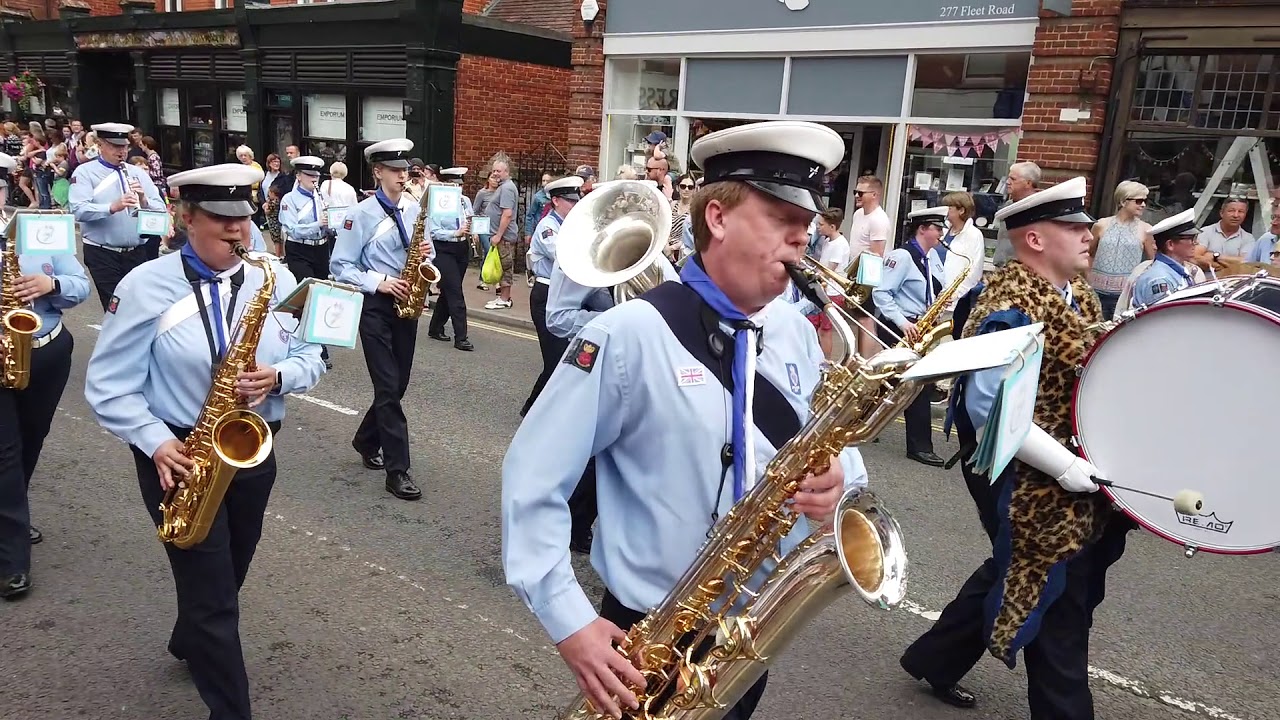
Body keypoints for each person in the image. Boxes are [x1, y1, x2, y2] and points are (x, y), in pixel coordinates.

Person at [502, 120, 868, 720]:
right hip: (647, 637)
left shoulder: (797, 333)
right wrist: (570, 622)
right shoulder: (626, 334)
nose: (803, 238)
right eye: (782, 218)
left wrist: (839, 483)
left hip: (749, 632)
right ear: (718, 218)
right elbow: (531, 478)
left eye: (807, 224)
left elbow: (826, 441)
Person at [83, 163, 326, 719]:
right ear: (185, 217)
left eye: (244, 216)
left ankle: (191, 635)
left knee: (230, 567)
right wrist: (153, 441)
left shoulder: (276, 278)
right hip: (179, 454)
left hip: (250, 446)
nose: (238, 230)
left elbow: (315, 352)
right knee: (215, 596)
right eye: (221, 218)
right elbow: (108, 385)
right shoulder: (144, 286)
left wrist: (280, 376)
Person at [901, 176, 1131, 720]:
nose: (1087, 235)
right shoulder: (1009, 305)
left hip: (1058, 463)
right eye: (1073, 227)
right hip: (1021, 469)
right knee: (1058, 593)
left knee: (1015, 564)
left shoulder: (1070, 296)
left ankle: (936, 657)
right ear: (1033, 240)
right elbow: (991, 414)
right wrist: (1067, 465)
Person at [0, 152, 91, 599]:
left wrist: (50, 286)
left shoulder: (38, 230)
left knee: (31, 440)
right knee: (5, 453)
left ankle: (10, 513)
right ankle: (10, 559)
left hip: (46, 350)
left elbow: (80, 285)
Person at [330, 138, 433, 501]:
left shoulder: (414, 208)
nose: (403, 176)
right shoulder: (358, 215)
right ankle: (398, 470)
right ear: (378, 173)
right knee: (388, 387)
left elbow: (427, 248)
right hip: (374, 305)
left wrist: (425, 255)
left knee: (399, 384)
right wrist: (380, 282)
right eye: (395, 170)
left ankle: (364, 438)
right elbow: (340, 265)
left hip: (407, 301)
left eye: (405, 170)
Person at [871, 206, 947, 467]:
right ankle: (919, 446)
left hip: (920, 325)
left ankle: (860, 422)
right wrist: (903, 323)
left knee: (886, 381)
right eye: (937, 228)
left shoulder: (934, 257)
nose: (941, 233)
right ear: (923, 229)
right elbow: (881, 293)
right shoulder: (902, 256)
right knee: (918, 384)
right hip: (898, 325)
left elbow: (938, 287)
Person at [68, 122, 165, 311]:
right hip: (103, 252)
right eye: (115, 146)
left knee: (138, 308)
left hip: (137, 251)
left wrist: (144, 201)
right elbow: (78, 210)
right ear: (100, 144)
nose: (121, 151)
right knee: (115, 309)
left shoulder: (138, 173)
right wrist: (112, 207)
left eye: (124, 146)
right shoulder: (85, 172)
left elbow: (160, 209)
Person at [520, 174, 584, 416]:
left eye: (576, 200)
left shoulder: (572, 225)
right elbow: (565, 257)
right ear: (556, 201)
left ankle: (544, 410)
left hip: (564, 294)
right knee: (555, 360)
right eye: (570, 201)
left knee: (565, 358)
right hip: (546, 293)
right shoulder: (548, 227)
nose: (575, 205)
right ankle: (532, 409)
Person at [279, 155, 336, 368]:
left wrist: (332, 223)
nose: (314, 179)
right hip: (299, 249)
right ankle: (316, 348)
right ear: (299, 176)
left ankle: (313, 341)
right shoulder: (289, 200)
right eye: (310, 175)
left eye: (317, 175)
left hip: (320, 248)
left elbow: (330, 225)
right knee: (307, 296)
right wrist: (316, 224)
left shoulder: (322, 198)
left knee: (321, 296)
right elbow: (290, 228)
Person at [426, 166, 475, 352]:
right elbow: (433, 231)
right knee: (456, 293)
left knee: (448, 291)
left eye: (459, 184)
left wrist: (474, 229)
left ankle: (435, 327)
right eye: (453, 184)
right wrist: (455, 232)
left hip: (461, 248)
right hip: (444, 249)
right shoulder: (437, 203)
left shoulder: (465, 201)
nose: (457, 188)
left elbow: (470, 218)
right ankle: (461, 337)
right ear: (444, 184)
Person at [1132, 209, 1200, 307]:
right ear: (1170, 244)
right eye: (1191, 239)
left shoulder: (1176, 271)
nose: (1196, 243)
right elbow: (1163, 318)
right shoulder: (1160, 280)